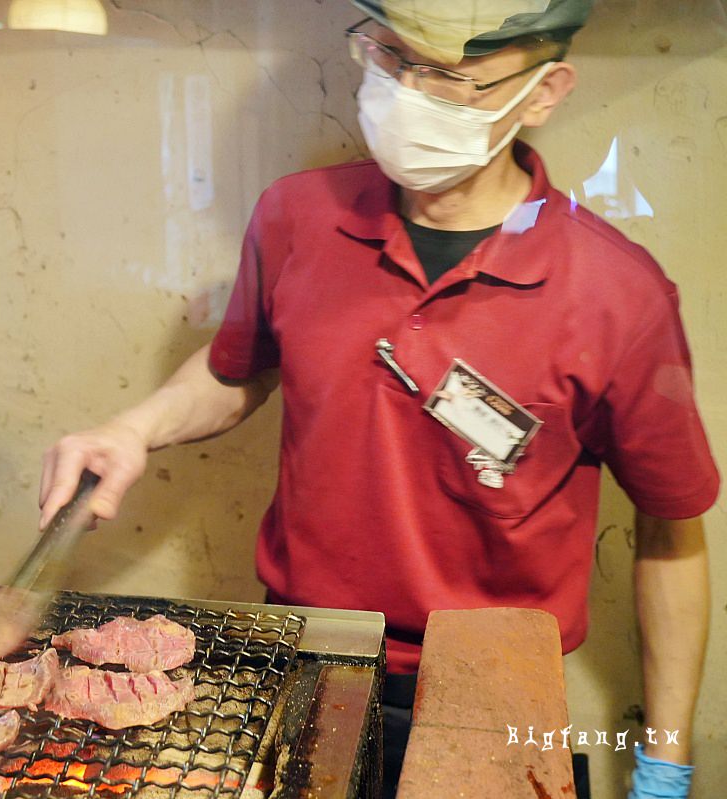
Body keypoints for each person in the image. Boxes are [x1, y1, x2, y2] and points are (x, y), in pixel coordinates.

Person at [37, 2, 719, 797]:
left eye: (455, 78)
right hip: (305, 652)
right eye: (393, 58)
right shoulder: (298, 216)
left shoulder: (618, 295)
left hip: (492, 683)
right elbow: (239, 369)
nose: (412, 95)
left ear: (543, 91)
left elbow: (672, 534)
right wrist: (134, 428)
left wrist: (664, 765)